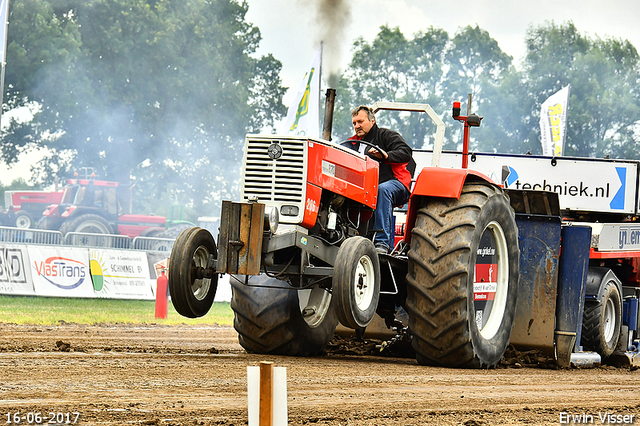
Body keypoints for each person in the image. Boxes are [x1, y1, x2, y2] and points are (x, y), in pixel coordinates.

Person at [344, 105, 416, 254]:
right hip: (365, 188)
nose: (357, 126)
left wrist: (385, 155)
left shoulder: (385, 135)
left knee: (382, 190)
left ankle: (382, 242)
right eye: (354, 123)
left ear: (372, 120)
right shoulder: (351, 143)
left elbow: (406, 152)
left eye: (360, 121)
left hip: (396, 184)